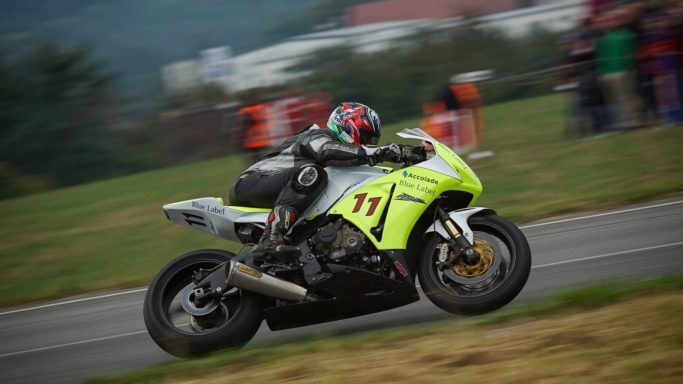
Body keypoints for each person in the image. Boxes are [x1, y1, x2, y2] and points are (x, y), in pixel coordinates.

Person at [229, 102, 403, 258]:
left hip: (277, 186)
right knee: (313, 173)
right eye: (365, 136)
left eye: (372, 140)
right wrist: (377, 152)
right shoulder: (316, 134)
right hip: (251, 182)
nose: (368, 143)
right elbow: (326, 151)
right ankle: (271, 237)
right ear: (347, 126)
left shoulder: (338, 153)